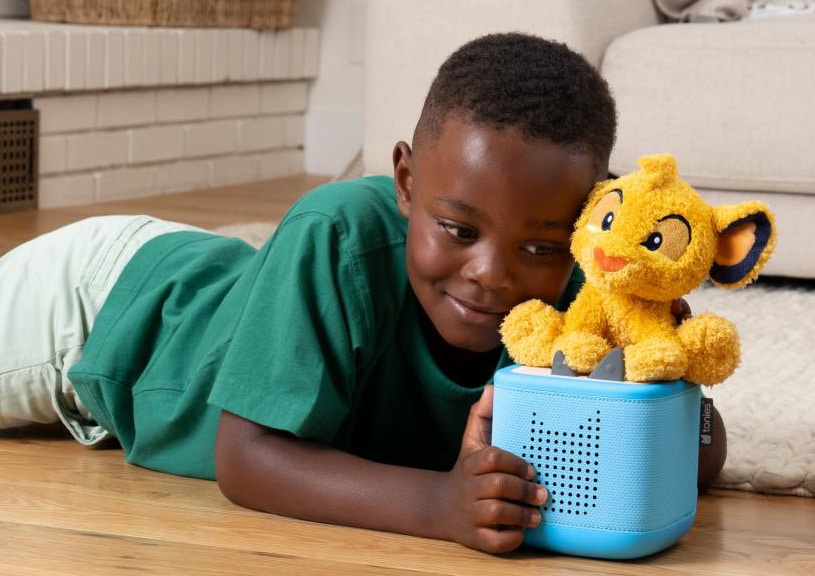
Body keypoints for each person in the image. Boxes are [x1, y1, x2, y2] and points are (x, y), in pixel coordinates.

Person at [0, 33, 725, 554]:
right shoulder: (337, 229)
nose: (492, 274)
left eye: (539, 247)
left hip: (207, 293)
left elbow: (705, 460)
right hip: (103, 314)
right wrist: (436, 505)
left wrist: (665, 390)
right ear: (406, 183)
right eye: (458, 229)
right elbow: (246, 458)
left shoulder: (587, 285)